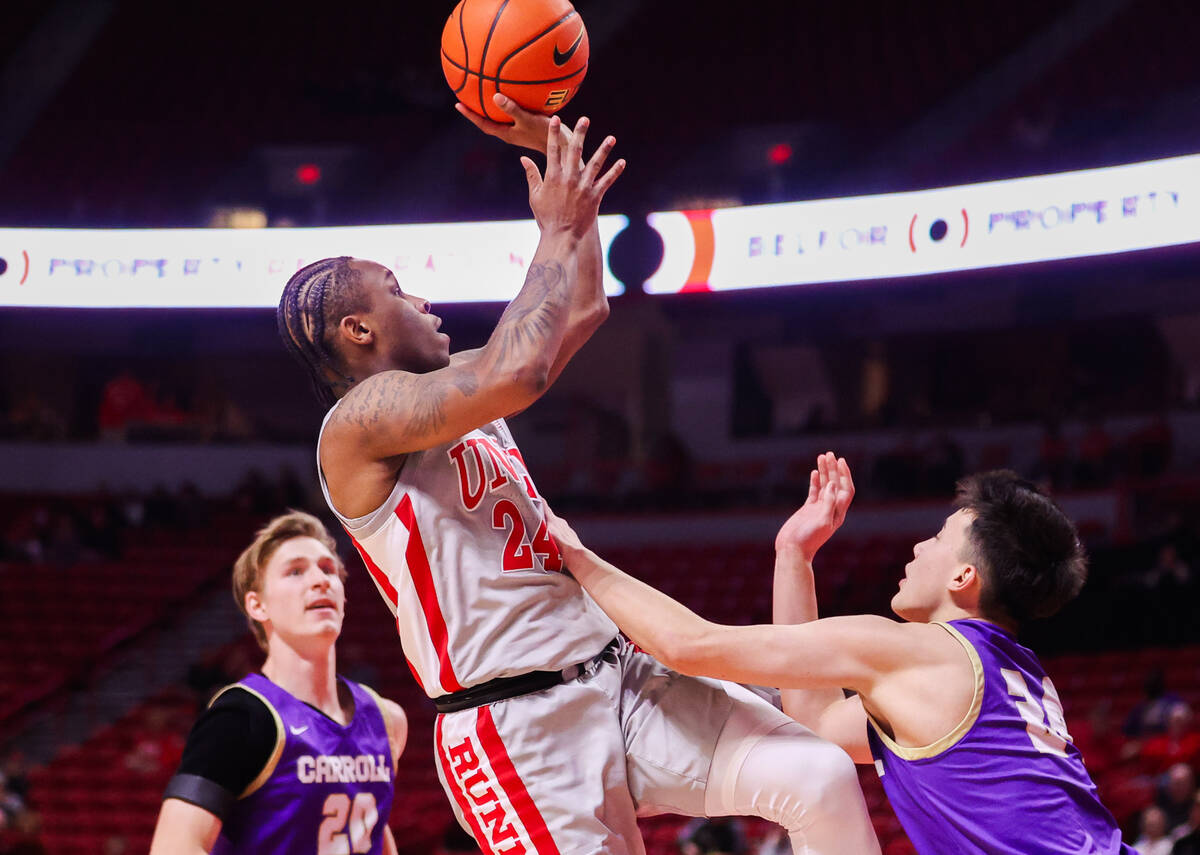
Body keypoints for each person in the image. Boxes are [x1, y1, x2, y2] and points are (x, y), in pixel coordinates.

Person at [278, 97, 880, 854]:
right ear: (357, 331)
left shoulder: (463, 384)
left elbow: (585, 307)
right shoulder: (355, 427)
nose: (422, 300)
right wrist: (554, 228)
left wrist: (562, 172)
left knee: (818, 773)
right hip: (519, 729)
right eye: (397, 290)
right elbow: (520, 368)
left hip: (618, 674)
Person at [548, 454, 1134, 854]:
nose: (917, 545)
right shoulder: (1012, 673)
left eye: (936, 538)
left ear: (962, 575)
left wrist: (575, 554)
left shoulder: (918, 653)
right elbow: (820, 723)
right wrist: (793, 557)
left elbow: (689, 645)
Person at [149, 511, 407, 854]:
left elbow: (373, 833)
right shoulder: (239, 718)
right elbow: (174, 847)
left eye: (329, 569)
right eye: (296, 571)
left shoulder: (387, 719)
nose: (320, 580)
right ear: (257, 605)